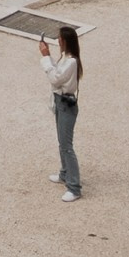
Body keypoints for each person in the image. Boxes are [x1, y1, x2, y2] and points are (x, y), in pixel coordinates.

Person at [39, 25, 83, 199]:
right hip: (61, 102)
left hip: (66, 104)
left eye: (59, 38)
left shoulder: (71, 61)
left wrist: (45, 57)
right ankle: (65, 173)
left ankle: (74, 187)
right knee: (62, 142)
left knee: (67, 146)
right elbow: (57, 74)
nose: (57, 40)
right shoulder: (67, 58)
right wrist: (49, 56)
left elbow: (55, 78)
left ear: (65, 41)